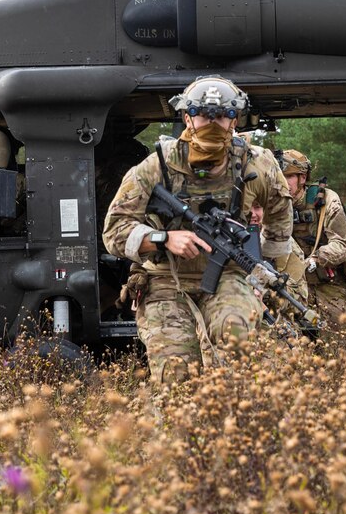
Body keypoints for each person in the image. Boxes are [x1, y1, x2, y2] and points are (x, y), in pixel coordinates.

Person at [102, 76, 295, 386]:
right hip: (164, 279)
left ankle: (235, 429)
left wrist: (264, 273)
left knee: (237, 349)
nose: (213, 125)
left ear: (235, 120)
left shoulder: (256, 165)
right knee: (175, 370)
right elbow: (114, 232)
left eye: (221, 116)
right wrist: (163, 239)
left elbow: (280, 220)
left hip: (231, 274)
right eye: (204, 115)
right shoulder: (157, 167)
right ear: (187, 117)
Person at [279, 148, 346, 327]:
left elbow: (343, 244)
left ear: (303, 177)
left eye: (287, 176)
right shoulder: (271, 203)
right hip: (289, 286)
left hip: (326, 284)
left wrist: (316, 258)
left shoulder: (326, 201)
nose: (282, 182)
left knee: (342, 333)